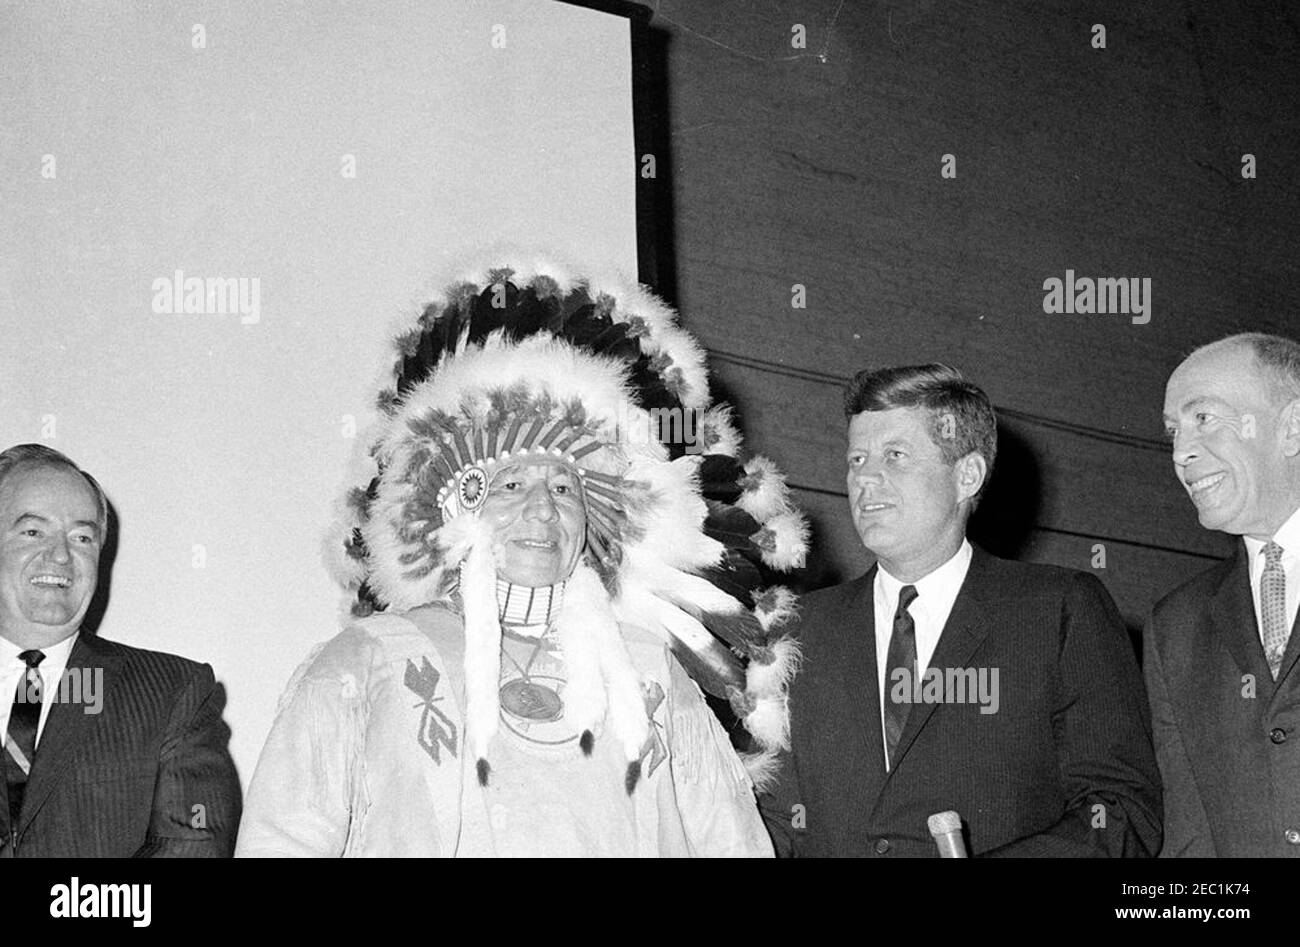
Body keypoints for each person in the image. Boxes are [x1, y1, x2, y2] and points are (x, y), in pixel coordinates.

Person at [235, 260, 807, 857]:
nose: (542, 511)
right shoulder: (369, 659)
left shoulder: (651, 671)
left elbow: (732, 843)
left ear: (592, 522)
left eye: (565, 490)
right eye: (511, 487)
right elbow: (283, 841)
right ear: (457, 508)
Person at [760, 364, 1161, 856]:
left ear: (967, 475)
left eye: (895, 456)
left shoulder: (1058, 610)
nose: (865, 479)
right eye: (857, 458)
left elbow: (1120, 811)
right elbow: (773, 822)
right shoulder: (798, 628)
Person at [0, 444, 241, 857]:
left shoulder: (172, 694)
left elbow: (195, 843)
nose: (60, 556)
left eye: (82, 537)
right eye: (33, 531)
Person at [1147, 332, 1300, 856]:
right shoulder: (1176, 626)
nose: (1181, 452)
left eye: (1203, 418)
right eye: (1173, 432)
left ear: (1293, 426)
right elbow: (1191, 841)